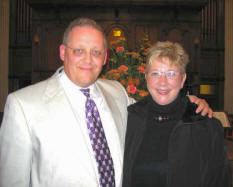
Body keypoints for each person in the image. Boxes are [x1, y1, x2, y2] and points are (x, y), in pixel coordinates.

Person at [0, 17, 212, 187]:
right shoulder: (23, 106)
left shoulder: (117, 92)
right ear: (63, 52)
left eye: (96, 52)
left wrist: (186, 101)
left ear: (105, 57)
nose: (88, 59)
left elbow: (155, 103)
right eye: (79, 50)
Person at [122, 41, 231, 187]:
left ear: (182, 80)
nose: (163, 82)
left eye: (171, 74)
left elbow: (219, 181)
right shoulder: (130, 118)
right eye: (156, 73)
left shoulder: (205, 125)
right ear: (146, 77)